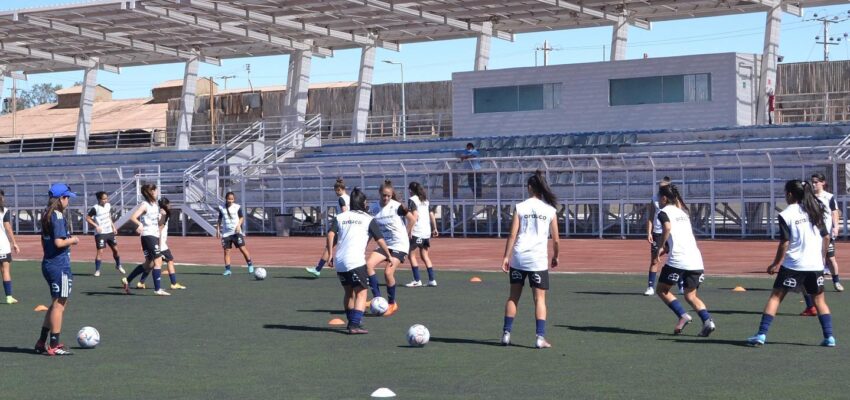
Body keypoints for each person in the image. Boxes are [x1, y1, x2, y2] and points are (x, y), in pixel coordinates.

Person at [747, 180, 836, 347]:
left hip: (793, 265)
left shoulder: (786, 214)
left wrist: (775, 264)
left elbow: (785, 242)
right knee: (820, 301)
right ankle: (829, 337)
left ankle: (761, 335)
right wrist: (822, 258)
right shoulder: (816, 210)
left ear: (789, 194)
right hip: (815, 266)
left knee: (775, 297)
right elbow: (826, 237)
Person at [500, 171, 559, 349]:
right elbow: (556, 239)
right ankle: (540, 338)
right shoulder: (550, 210)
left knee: (513, 296)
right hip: (537, 260)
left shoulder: (520, 207)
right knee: (539, 299)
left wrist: (506, 256)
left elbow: (512, 234)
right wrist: (556, 256)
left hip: (519, 257)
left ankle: (506, 334)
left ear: (529, 188)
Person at [326, 188, 392, 334]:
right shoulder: (368, 219)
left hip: (340, 261)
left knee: (348, 292)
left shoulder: (341, 216)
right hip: (355, 261)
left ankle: (352, 322)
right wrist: (388, 254)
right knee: (362, 292)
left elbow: (331, 234)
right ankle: (354, 325)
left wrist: (330, 254)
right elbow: (380, 239)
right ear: (363, 203)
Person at [654, 184, 716, 337]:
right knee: (691, 296)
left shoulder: (663, 212)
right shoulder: (683, 213)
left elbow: (667, 228)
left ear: (663, 198)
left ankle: (683, 315)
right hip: (695, 259)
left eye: (658, 198)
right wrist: (667, 248)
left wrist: (661, 247)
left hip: (678, 260)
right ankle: (707, 320)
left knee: (662, 290)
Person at [35, 183, 79, 356]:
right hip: (59, 265)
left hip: (48, 263)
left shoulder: (46, 214)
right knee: (60, 305)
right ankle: (54, 344)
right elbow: (59, 243)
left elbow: (45, 242)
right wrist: (73, 240)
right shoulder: (58, 216)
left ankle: (41, 342)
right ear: (61, 198)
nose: (68, 201)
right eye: (67, 197)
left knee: (55, 305)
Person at [366, 180, 415, 317]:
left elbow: (412, 219)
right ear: (379, 194)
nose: (386, 198)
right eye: (383, 195)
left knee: (388, 273)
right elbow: (371, 229)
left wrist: (406, 233)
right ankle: (378, 299)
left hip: (399, 244)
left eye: (388, 195)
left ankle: (392, 303)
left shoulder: (397, 206)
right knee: (368, 265)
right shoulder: (374, 209)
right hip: (385, 244)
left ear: (391, 195)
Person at [801, 173, 843, 316]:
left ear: (823, 183)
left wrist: (836, 227)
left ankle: (836, 281)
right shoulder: (809, 196)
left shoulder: (829, 196)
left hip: (826, 233)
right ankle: (817, 283)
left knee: (830, 258)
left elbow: (834, 212)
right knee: (815, 259)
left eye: (816, 182)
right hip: (814, 234)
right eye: (812, 182)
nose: (814, 184)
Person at [122, 184, 170, 296]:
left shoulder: (156, 206)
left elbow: (158, 224)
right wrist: (139, 224)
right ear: (152, 191)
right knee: (158, 261)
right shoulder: (145, 205)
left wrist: (163, 216)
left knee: (149, 264)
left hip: (153, 235)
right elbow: (133, 217)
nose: (158, 192)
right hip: (148, 236)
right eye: (156, 190)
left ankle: (127, 280)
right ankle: (158, 289)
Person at [136, 198, 186, 290]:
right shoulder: (163, 215)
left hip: (154, 242)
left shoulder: (158, 214)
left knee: (150, 264)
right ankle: (173, 283)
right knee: (169, 260)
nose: (170, 206)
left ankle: (141, 282)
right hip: (160, 244)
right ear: (166, 205)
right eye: (169, 204)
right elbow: (159, 229)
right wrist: (157, 245)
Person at [306, 178, 350, 278]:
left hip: (342, 225)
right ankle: (318, 269)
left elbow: (345, 211)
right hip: (348, 226)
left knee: (331, 245)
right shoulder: (349, 197)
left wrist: (340, 221)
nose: (336, 192)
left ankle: (322, 267)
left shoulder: (341, 198)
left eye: (336, 190)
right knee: (332, 246)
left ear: (339, 189)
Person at [404, 181, 439, 287]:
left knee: (411, 255)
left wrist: (409, 230)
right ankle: (432, 280)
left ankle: (417, 280)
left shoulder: (412, 200)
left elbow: (414, 216)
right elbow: (432, 215)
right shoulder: (425, 200)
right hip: (426, 232)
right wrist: (435, 228)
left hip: (417, 231)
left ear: (410, 190)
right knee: (425, 255)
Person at [85, 191, 124, 277]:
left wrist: (113, 227)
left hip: (109, 231)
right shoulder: (95, 208)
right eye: (104, 199)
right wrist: (96, 226)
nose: (106, 200)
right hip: (101, 233)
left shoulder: (108, 205)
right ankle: (97, 270)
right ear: (99, 199)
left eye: (107, 198)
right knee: (100, 251)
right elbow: (87, 218)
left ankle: (118, 265)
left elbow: (109, 216)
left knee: (116, 250)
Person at [644, 177, 671, 296]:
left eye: (663, 187)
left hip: (671, 233)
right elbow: (650, 217)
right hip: (658, 233)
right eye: (660, 187)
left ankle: (681, 285)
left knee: (676, 258)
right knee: (654, 259)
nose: (660, 189)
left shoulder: (672, 200)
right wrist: (649, 232)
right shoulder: (654, 199)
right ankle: (650, 287)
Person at [217, 192, 254, 276]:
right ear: (226, 199)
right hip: (226, 234)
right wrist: (218, 229)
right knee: (226, 251)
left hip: (236, 233)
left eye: (232, 199)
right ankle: (228, 270)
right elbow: (219, 219)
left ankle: (250, 264)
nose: (230, 200)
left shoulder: (237, 207)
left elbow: (241, 217)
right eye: (228, 199)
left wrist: (238, 226)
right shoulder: (221, 208)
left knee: (242, 249)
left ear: (234, 199)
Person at [0, 190, 20, 304]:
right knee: (5, 271)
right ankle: (9, 297)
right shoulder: (5, 211)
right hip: (3, 245)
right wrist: (14, 243)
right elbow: (8, 228)